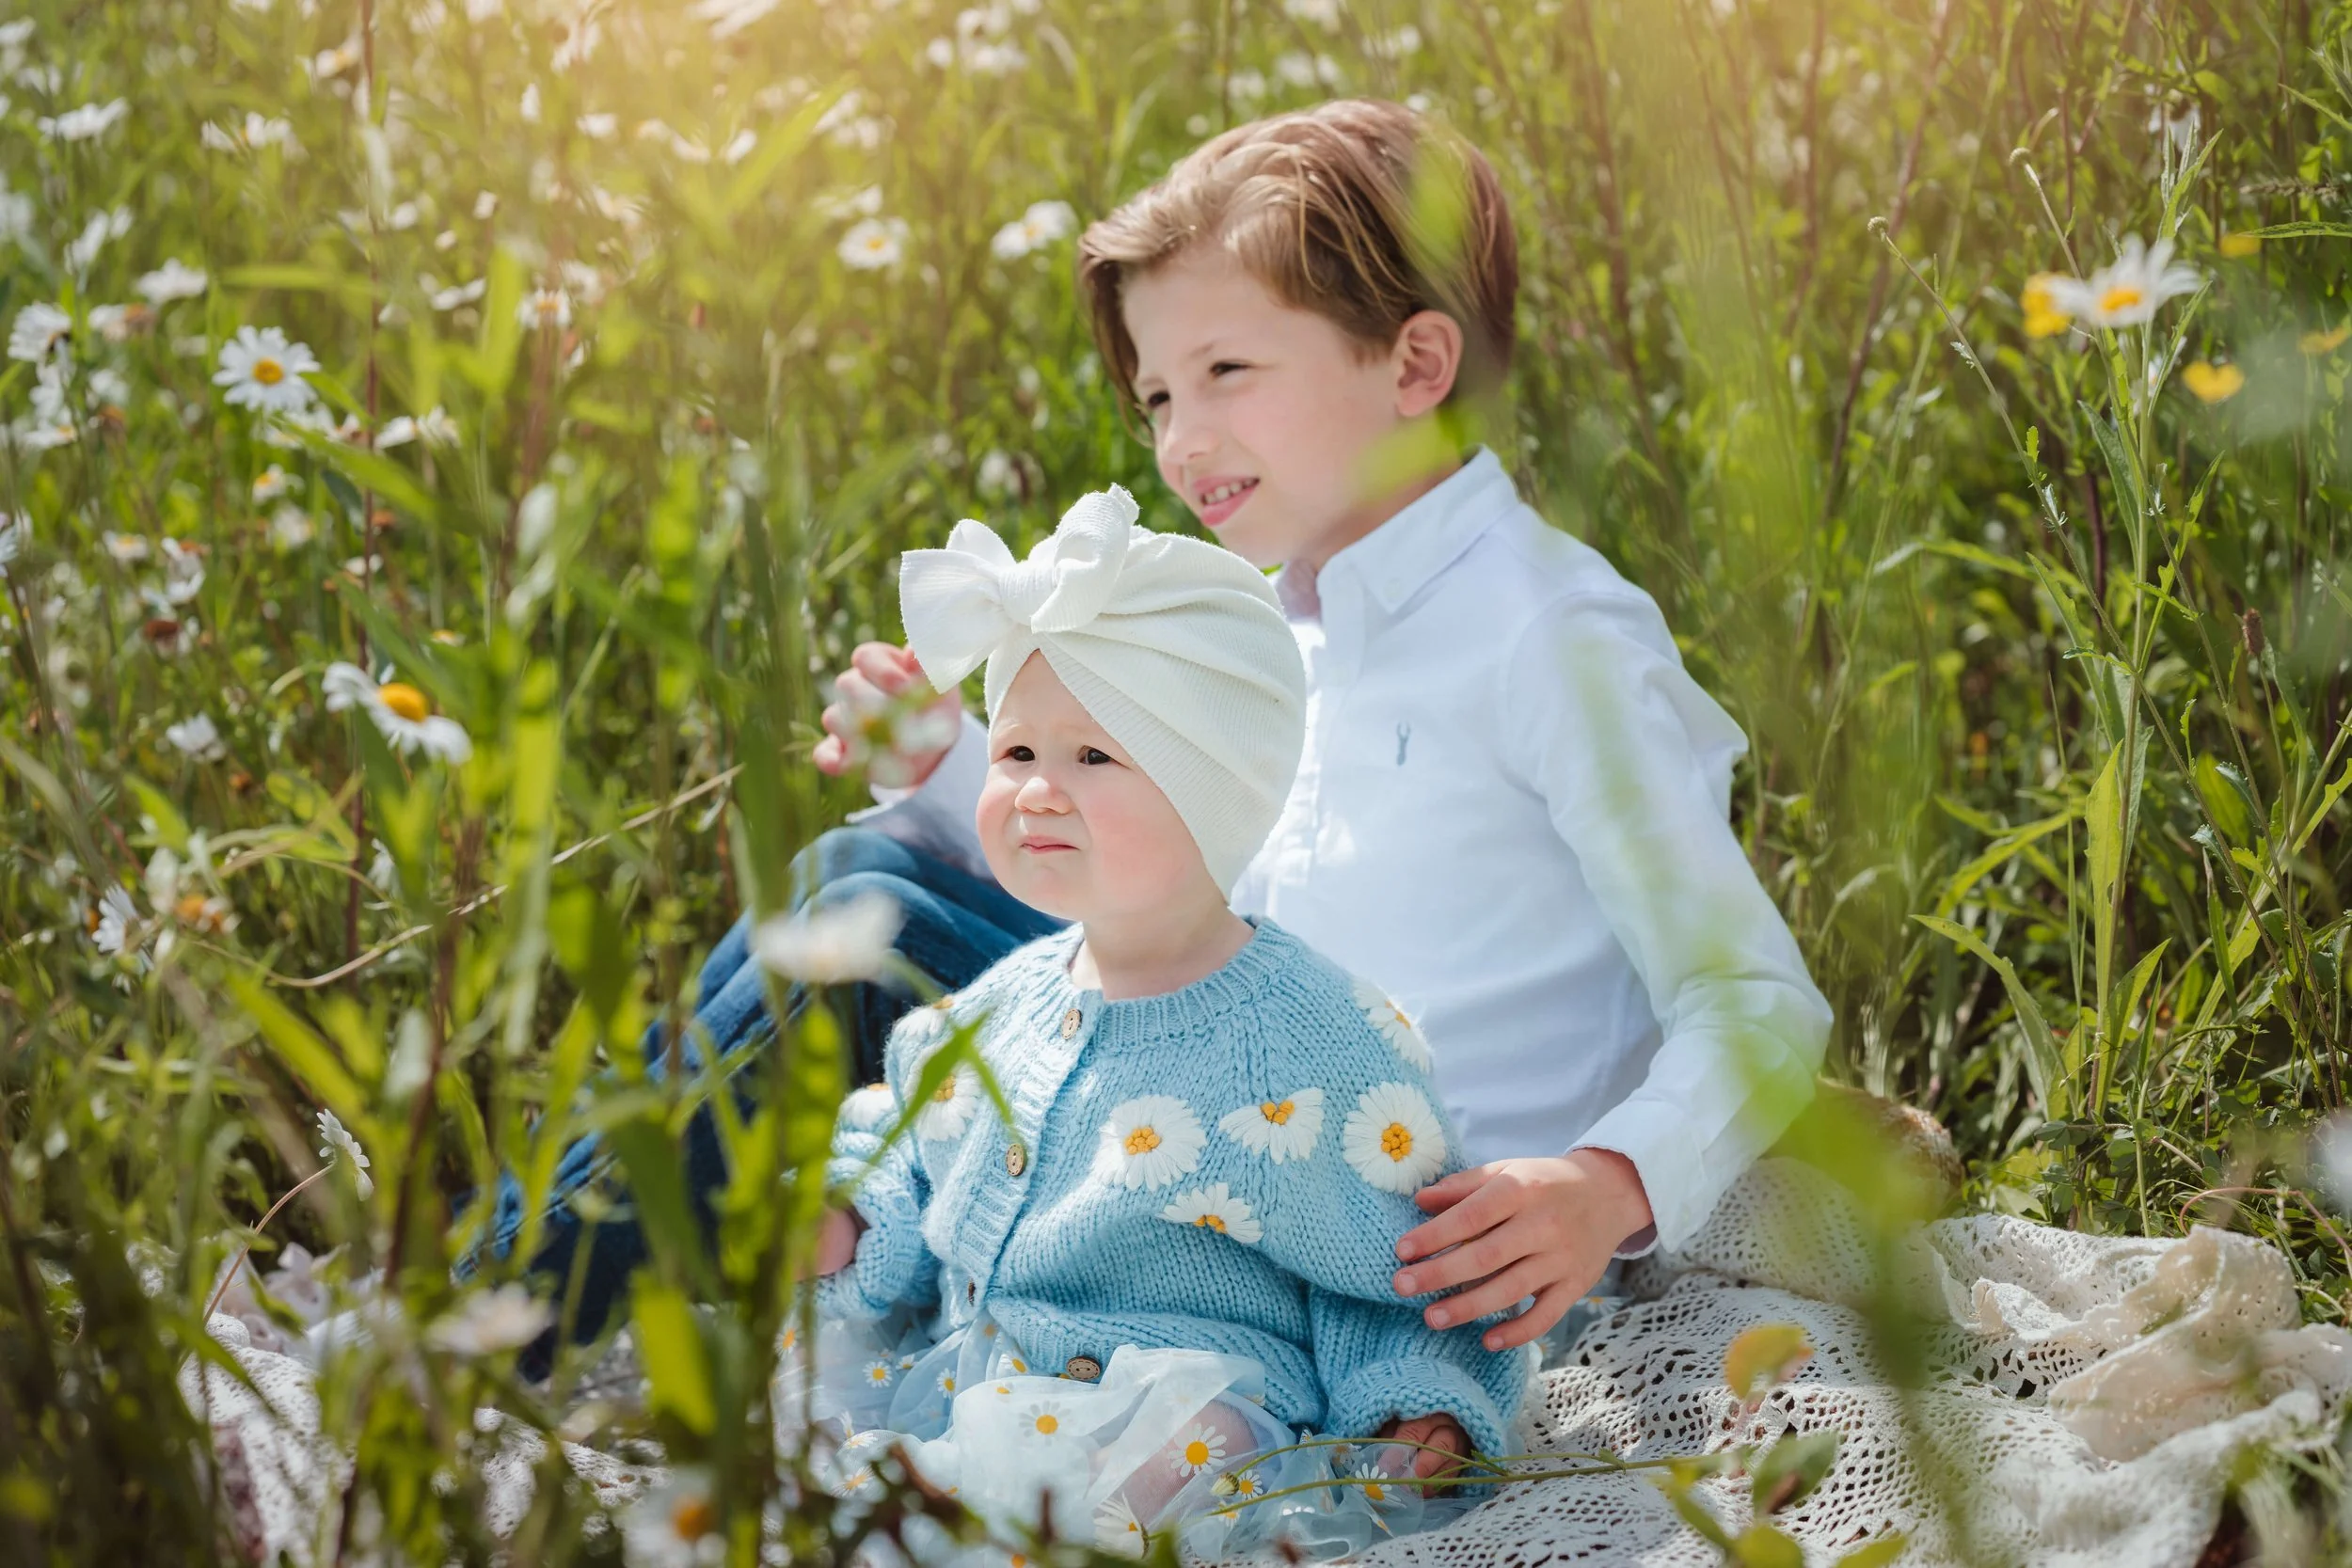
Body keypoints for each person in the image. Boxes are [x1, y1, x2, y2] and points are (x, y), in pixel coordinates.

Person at [482, 96, 1830, 1370]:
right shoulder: (1266, 615)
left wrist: (1602, 1183)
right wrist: (948, 765)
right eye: (1159, 396)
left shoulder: (1551, 636)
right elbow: (1166, 874)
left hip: (1366, 1208)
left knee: (870, 935)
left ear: (1417, 362)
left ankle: (478, 1323)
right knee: (862, 880)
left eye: (1228, 371)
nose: (1183, 440)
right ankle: (511, 1270)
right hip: (1204, 1082)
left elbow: (1753, 997)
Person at [781, 488, 1525, 1560]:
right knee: (856, 1465)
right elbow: (907, 1143)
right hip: (987, 1380)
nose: (1038, 790)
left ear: (1211, 790)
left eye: (1092, 758)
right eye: (1015, 752)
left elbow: (1398, 1260)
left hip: (1193, 1400)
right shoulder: (994, 1006)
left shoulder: (1309, 1041)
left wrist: (1423, 1404)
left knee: (1170, 1471)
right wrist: (853, 1213)